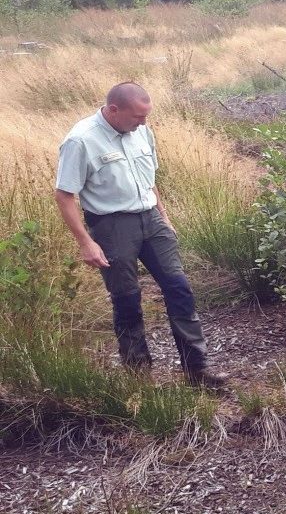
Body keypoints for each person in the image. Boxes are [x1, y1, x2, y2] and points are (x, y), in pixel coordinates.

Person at [54, 83, 226, 389]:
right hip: (112, 226)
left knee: (179, 289)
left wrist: (163, 215)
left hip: (151, 219)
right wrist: (86, 242)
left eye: (145, 117)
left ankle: (196, 369)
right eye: (137, 117)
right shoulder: (80, 140)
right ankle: (139, 377)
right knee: (127, 299)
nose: (143, 123)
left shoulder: (141, 132)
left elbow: (149, 179)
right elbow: (65, 196)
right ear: (114, 110)